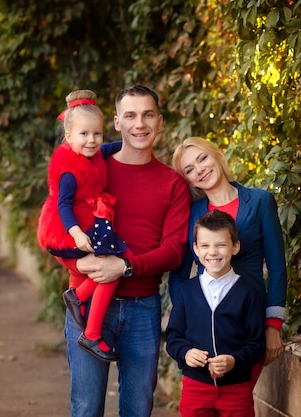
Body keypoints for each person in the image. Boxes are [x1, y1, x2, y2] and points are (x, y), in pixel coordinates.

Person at [57, 85, 191, 417]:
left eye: (148, 115)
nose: (139, 124)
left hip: (143, 310)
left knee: (138, 409)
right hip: (86, 305)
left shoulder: (172, 183)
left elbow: (174, 251)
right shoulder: (91, 167)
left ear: (159, 122)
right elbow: (55, 223)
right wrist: (79, 260)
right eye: (130, 115)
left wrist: (125, 268)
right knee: (86, 408)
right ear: (116, 122)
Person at [169, 136, 287, 379]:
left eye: (203, 158)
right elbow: (179, 274)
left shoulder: (259, 201)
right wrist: (187, 319)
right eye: (190, 169)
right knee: (202, 400)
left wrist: (273, 325)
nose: (199, 170)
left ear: (217, 155)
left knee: (238, 400)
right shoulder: (191, 214)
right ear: (188, 180)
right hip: (205, 328)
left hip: (249, 326)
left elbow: (276, 267)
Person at [37, 89, 130, 363]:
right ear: (68, 137)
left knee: (111, 267)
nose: (92, 141)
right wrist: (76, 233)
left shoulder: (92, 153)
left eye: (97, 134)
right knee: (110, 269)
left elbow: (109, 150)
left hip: (86, 224)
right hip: (66, 231)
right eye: (84, 134)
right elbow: (63, 205)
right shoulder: (68, 169)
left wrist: (130, 143)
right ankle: (89, 328)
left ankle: (79, 297)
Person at [166, 210, 266, 417]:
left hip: (237, 390)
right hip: (195, 388)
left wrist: (235, 361)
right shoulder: (186, 291)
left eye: (221, 245)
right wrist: (185, 352)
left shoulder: (249, 292)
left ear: (235, 247)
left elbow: (257, 344)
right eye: (205, 245)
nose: (212, 252)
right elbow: (174, 338)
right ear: (195, 248)